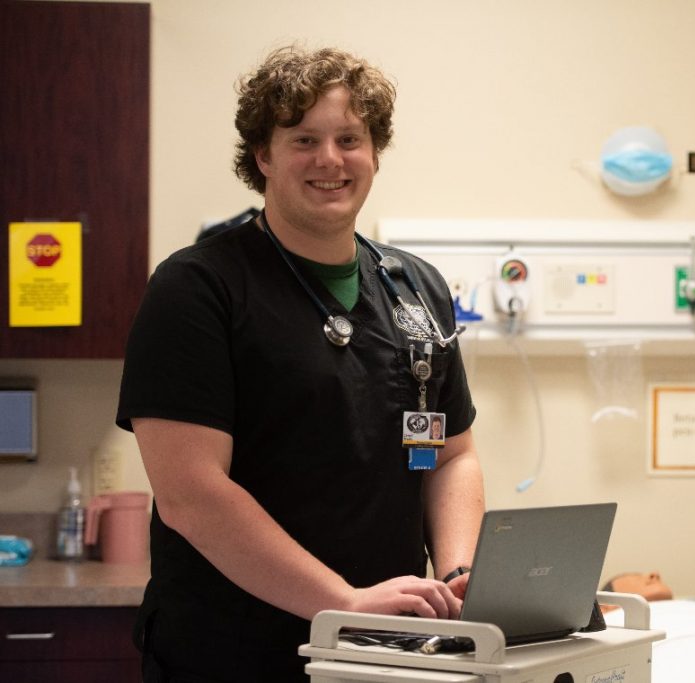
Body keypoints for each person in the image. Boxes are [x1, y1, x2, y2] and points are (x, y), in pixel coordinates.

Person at [116, 45, 484, 682]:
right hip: (236, 651)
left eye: (350, 138)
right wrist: (341, 604)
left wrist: (457, 576)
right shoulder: (199, 288)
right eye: (304, 139)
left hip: (387, 648)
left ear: (374, 153)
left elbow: (451, 453)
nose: (331, 160)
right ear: (263, 155)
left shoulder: (416, 287)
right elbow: (191, 495)